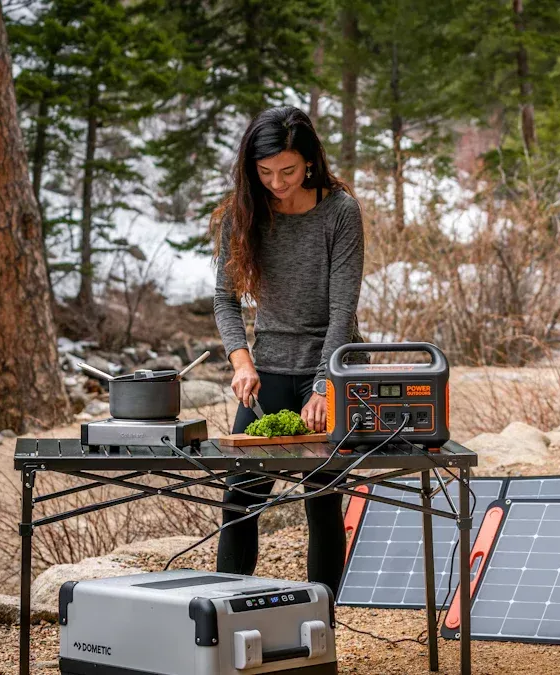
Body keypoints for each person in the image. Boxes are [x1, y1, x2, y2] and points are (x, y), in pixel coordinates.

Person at [211, 106, 364, 595]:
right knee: (240, 496)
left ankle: (322, 627)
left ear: (310, 164)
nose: (277, 182)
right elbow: (225, 299)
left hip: (333, 365)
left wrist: (324, 386)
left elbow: (342, 312)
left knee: (322, 497)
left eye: (288, 171)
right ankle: (226, 617)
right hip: (271, 365)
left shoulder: (340, 212)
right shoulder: (243, 213)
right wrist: (241, 361)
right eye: (265, 172)